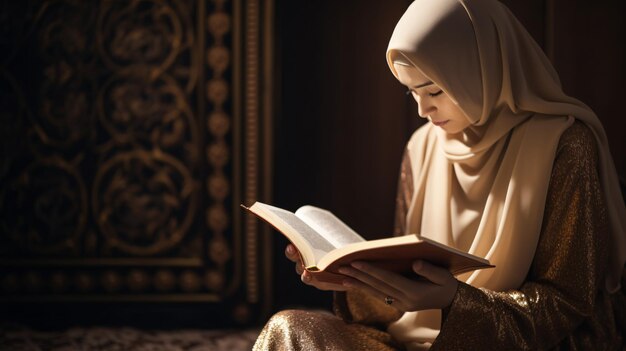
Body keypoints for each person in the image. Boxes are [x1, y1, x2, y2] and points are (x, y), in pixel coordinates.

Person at [253, 0, 626, 349]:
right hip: (412, 339)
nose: (422, 109)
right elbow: (405, 287)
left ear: (483, 69)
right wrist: (353, 281)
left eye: (434, 90)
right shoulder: (422, 146)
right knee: (290, 329)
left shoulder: (565, 144)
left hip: (510, 343)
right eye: (411, 92)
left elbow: (567, 303)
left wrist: (455, 300)